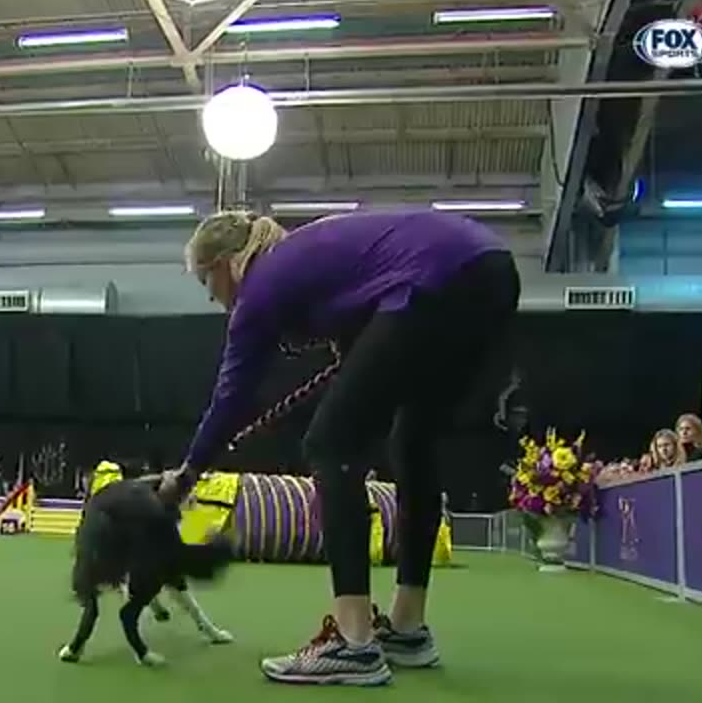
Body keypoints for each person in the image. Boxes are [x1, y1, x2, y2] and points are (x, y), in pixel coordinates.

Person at [159, 208, 519, 686]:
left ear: (225, 264)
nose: (212, 297)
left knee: (330, 443)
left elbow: (232, 395)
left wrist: (187, 475)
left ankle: (354, 644)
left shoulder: (262, 283)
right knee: (413, 441)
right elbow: (368, 339)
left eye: (207, 282)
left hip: (436, 280)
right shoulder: (308, 263)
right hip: (490, 271)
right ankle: (408, 631)